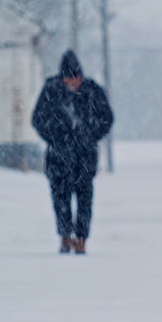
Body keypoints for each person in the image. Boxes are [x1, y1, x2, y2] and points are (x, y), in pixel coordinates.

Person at [32, 50, 114, 255]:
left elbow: (107, 118)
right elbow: (38, 119)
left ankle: (82, 238)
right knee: (60, 198)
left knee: (84, 198)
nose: (72, 84)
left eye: (75, 79)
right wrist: (55, 136)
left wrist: (90, 135)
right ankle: (65, 237)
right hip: (58, 157)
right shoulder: (51, 90)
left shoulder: (92, 91)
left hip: (84, 157)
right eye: (68, 79)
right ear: (61, 78)